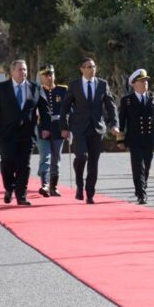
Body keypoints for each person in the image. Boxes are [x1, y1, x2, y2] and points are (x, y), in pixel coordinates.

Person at [0, 60, 50, 206]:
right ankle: (9, 187)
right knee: (8, 161)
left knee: (24, 164)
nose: (23, 72)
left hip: (27, 133)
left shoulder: (35, 87)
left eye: (25, 70)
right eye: (20, 70)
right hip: (6, 133)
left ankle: (21, 195)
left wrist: (45, 127)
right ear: (12, 71)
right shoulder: (1, 88)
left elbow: (44, 109)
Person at [59, 56, 119, 204]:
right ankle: (79, 185)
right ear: (82, 69)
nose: (92, 69)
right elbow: (65, 108)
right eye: (88, 67)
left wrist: (114, 124)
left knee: (93, 162)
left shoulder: (102, 84)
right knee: (81, 157)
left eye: (93, 67)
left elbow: (111, 106)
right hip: (79, 128)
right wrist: (64, 127)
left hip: (97, 129)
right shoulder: (74, 85)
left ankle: (90, 193)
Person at [117, 69, 154, 204]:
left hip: (150, 137)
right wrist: (120, 139)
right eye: (142, 81)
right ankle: (141, 193)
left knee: (147, 165)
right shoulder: (127, 100)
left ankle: (142, 186)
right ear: (134, 84)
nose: (145, 83)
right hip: (134, 138)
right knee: (138, 166)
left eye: (146, 81)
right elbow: (122, 121)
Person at [36, 65, 68, 197]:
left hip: (58, 128)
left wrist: (66, 128)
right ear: (41, 77)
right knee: (45, 156)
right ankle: (45, 184)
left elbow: (68, 110)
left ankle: (53, 186)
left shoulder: (63, 90)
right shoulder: (38, 92)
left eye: (51, 74)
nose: (49, 77)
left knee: (56, 158)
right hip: (42, 128)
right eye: (46, 75)